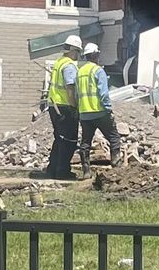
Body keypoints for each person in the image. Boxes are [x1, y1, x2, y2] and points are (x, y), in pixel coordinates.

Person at [41, 35, 84, 179]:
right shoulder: (69, 66)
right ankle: (62, 172)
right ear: (74, 50)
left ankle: (52, 169)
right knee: (69, 141)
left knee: (59, 139)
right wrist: (74, 107)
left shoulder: (59, 62)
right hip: (65, 106)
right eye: (78, 52)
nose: (78, 55)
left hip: (54, 105)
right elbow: (70, 88)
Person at [74, 43, 121, 171]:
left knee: (85, 143)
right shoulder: (98, 71)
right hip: (100, 112)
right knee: (114, 138)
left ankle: (86, 171)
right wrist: (108, 109)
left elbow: (76, 94)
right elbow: (103, 93)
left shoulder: (79, 72)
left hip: (85, 114)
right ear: (95, 55)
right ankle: (116, 167)